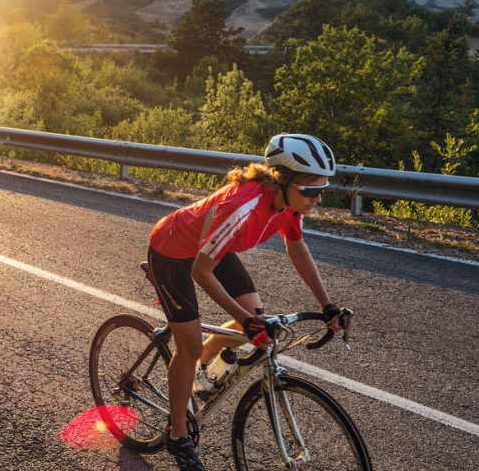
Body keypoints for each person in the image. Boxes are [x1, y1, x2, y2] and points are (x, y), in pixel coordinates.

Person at [146, 133, 344, 471]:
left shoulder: (287, 204)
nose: (318, 198)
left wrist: (328, 305)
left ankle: (195, 378)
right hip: (173, 252)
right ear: (284, 181)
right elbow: (201, 271)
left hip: (211, 249)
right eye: (311, 191)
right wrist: (248, 319)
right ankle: (177, 434)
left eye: (323, 189)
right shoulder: (244, 205)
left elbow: (296, 248)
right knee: (190, 346)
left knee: (252, 321)